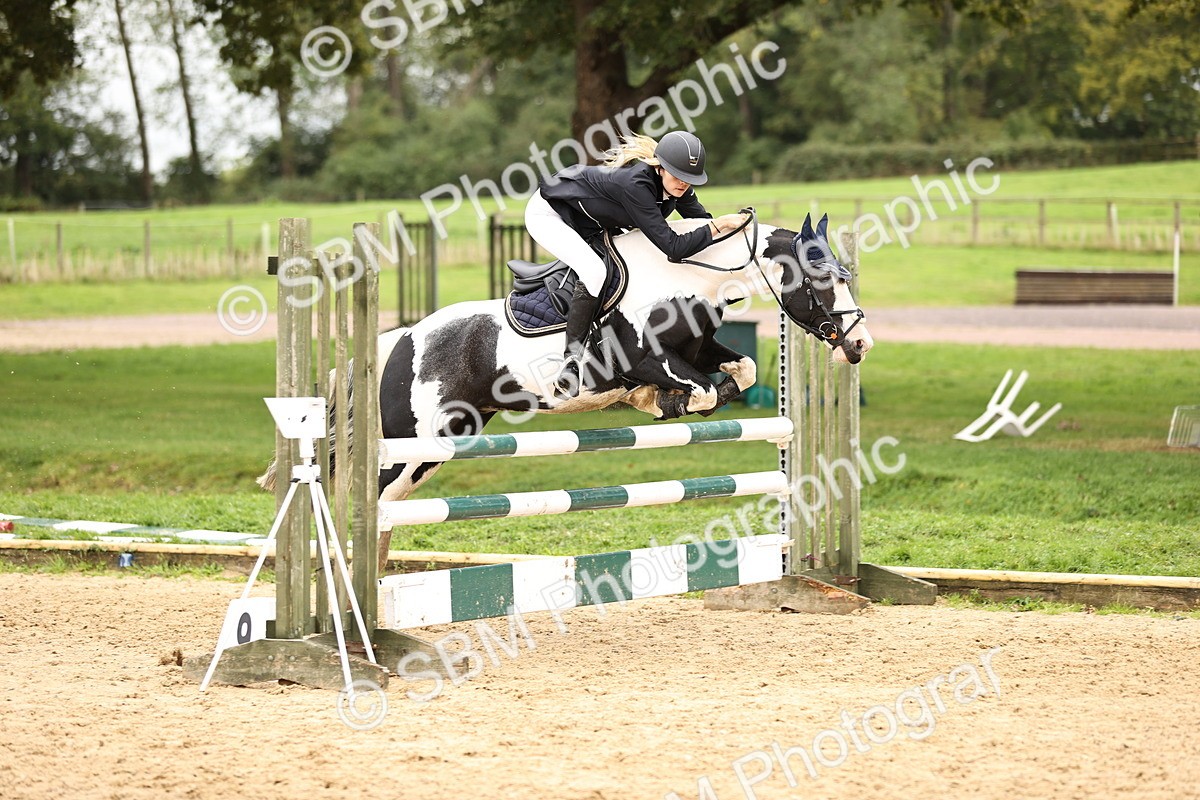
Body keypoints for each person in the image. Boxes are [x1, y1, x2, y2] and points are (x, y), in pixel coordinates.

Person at [525, 131, 749, 398]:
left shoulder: (679, 187)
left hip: (591, 220)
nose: (683, 183)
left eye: (689, 179)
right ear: (660, 167)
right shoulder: (636, 186)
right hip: (551, 213)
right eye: (678, 176)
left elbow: (702, 223)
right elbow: (674, 248)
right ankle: (572, 361)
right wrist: (719, 225)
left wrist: (735, 242)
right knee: (595, 271)